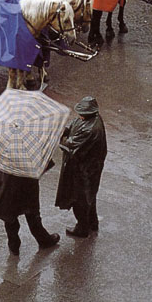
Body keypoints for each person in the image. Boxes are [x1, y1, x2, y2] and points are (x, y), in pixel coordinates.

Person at [55, 96, 107, 238]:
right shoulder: (93, 118)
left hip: (85, 170)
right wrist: (65, 129)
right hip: (90, 167)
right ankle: (92, 222)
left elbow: (69, 144)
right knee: (90, 195)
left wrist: (60, 137)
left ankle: (82, 227)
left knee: (80, 199)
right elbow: (74, 124)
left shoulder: (90, 130)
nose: (79, 115)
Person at [0, 158, 60, 254]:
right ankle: (43, 239)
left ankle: (13, 244)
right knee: (32, 214)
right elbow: (44, 165)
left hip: (4, 184)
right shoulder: (30, 146)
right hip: (26, 183)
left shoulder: (1, 144)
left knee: (9, 216)